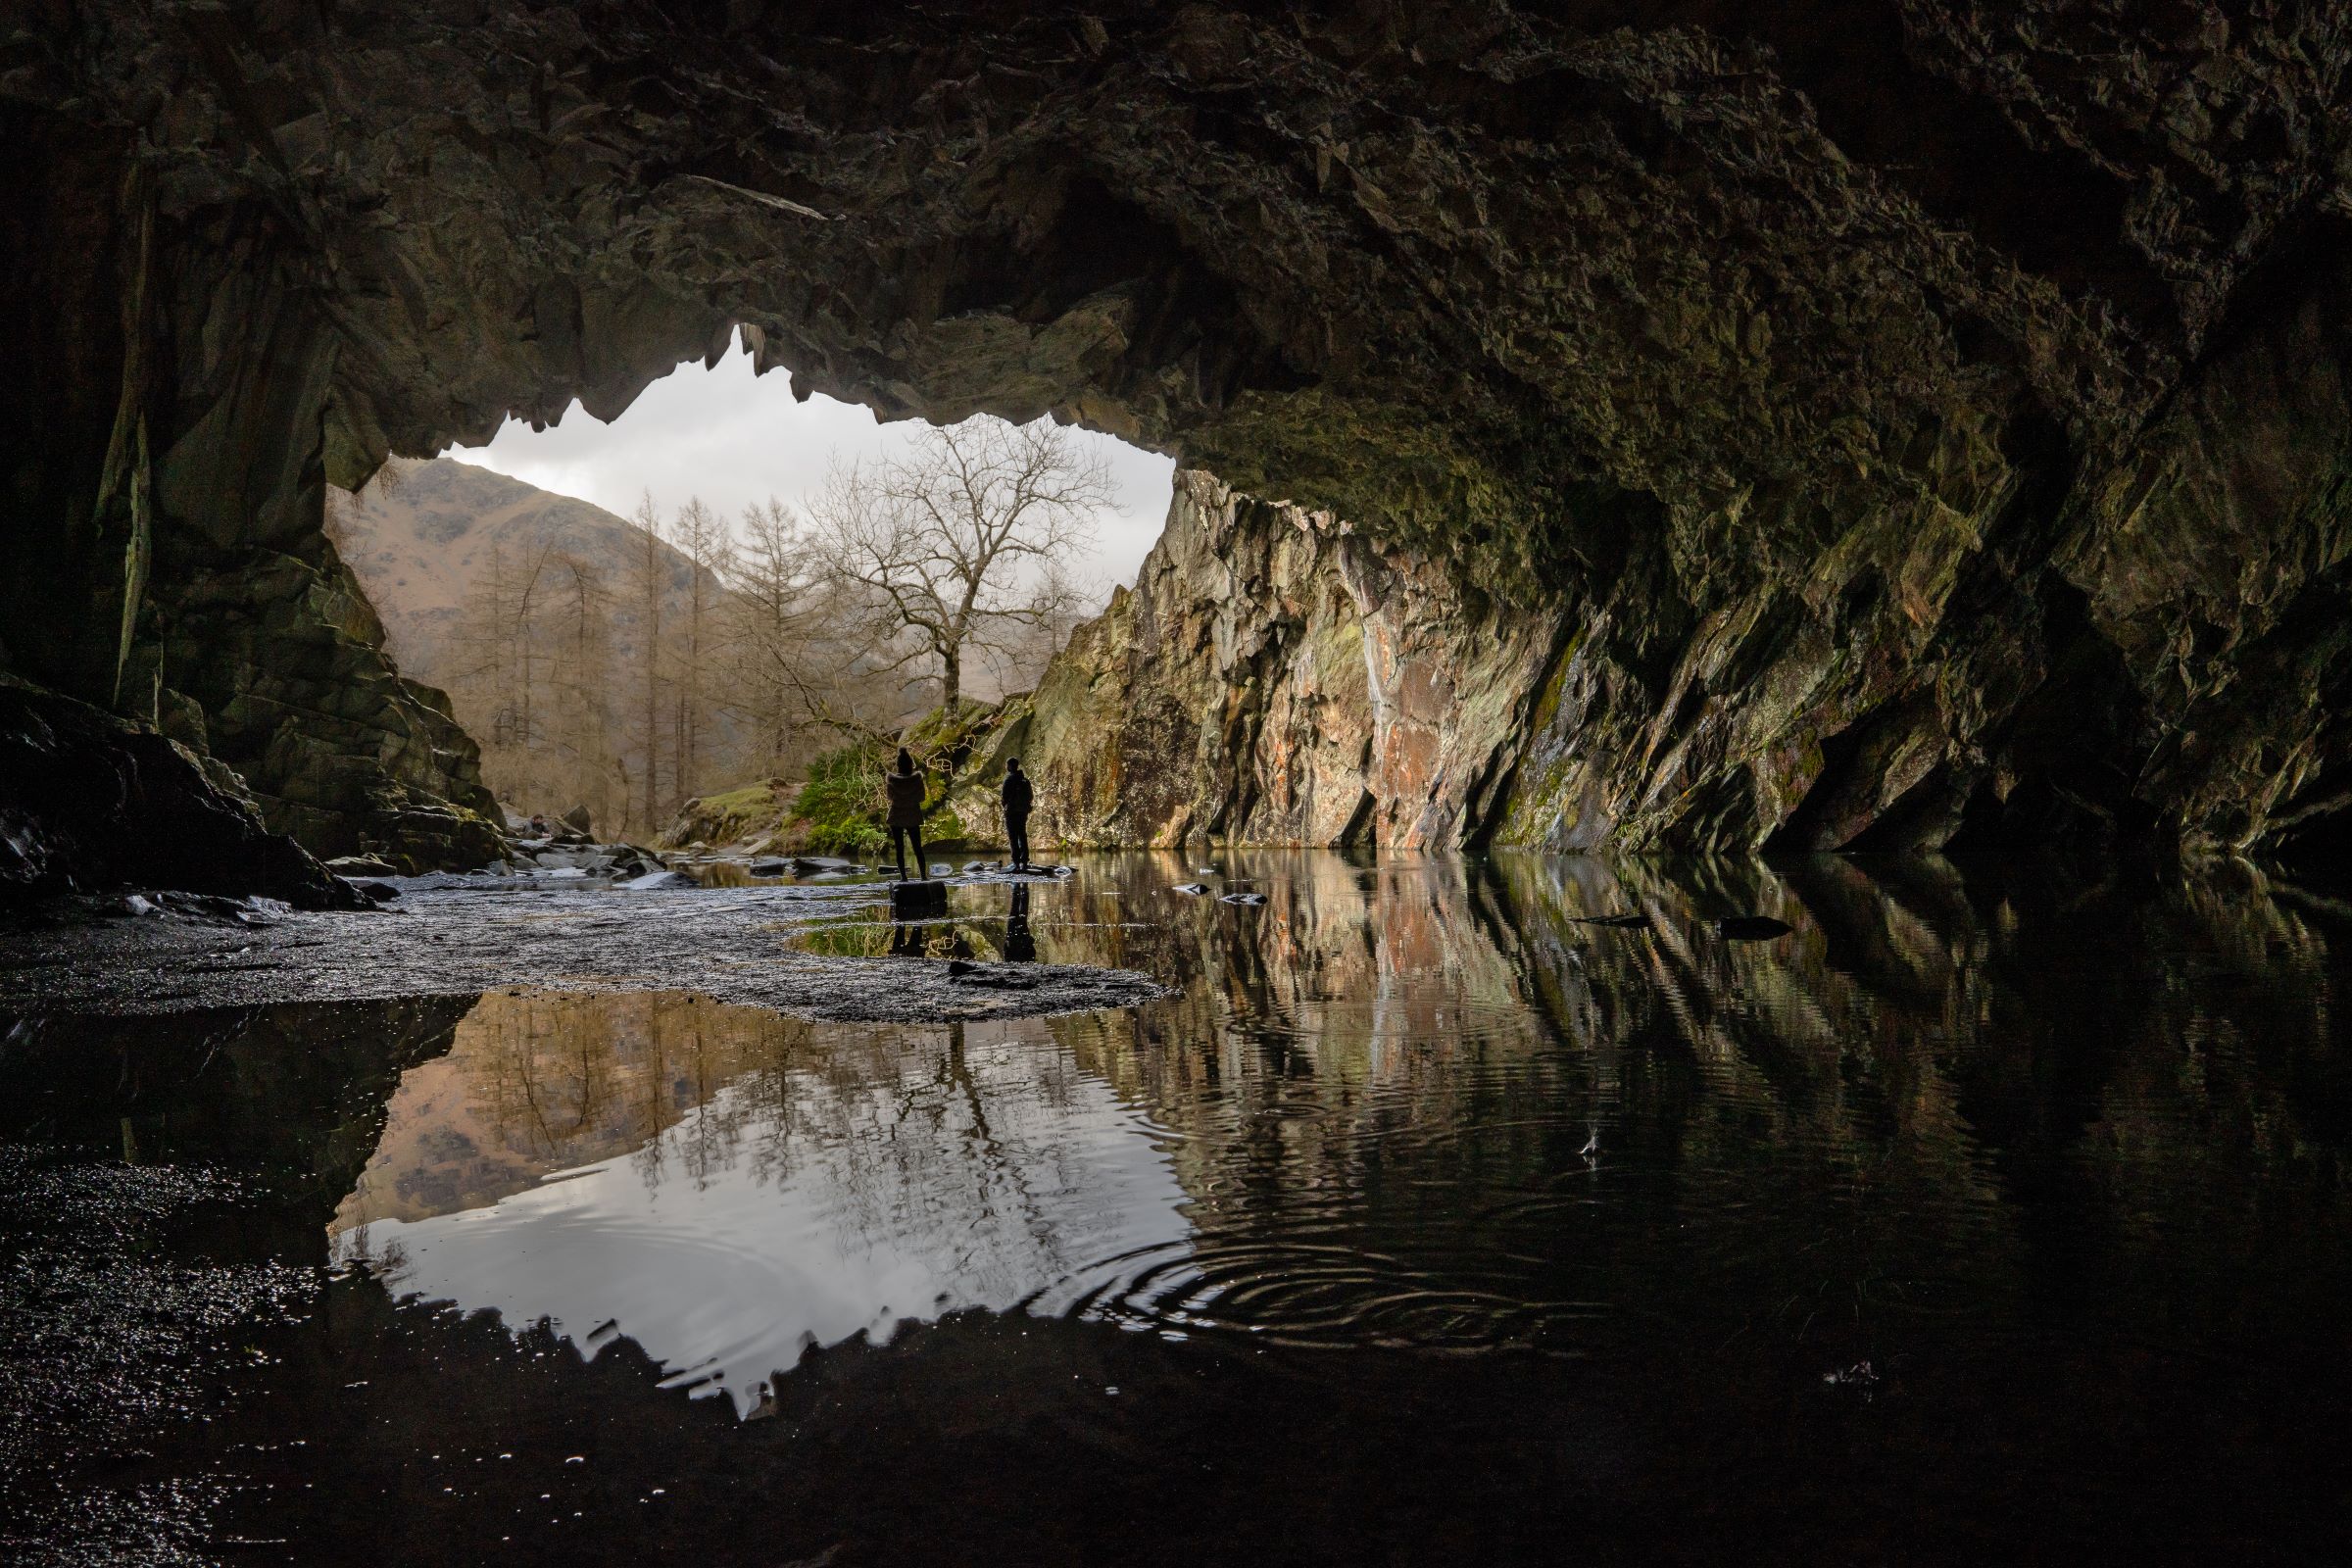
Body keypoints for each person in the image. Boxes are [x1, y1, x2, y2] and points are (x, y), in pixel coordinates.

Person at [884, 747, 929, 881]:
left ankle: (903, 878)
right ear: (910, 765)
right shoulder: (917, 780)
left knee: (899, 849)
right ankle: (923, 876)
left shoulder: (891, 781)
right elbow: (922, 798)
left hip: (896, 815)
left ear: (898, 766)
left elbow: (890, 797)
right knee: (917, 848)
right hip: (913, 814)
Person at [1002, 757, 1035, 872]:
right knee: (1022, 834)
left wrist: (1006, 806)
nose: (1006, 767)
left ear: (1010, 766)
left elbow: (1004, 798)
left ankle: (1016, 861)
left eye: (1007, 765)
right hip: (1022, 812)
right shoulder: (1025, 781)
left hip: (1011, 812)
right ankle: (1024, 859)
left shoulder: (1009, 780)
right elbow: (1030, 796)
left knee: (1013, 837)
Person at [1004, 882, 1037, 962]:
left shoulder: (1027, 962)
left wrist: (1029, 941)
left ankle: (1023, 888)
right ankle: (1017, 888)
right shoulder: (1012, 963)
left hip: (1022, 939)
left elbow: (1033, 953)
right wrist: (1006, 943)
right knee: (1015, 911)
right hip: (1014, 939)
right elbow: (1006, 952)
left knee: (1023, 913)